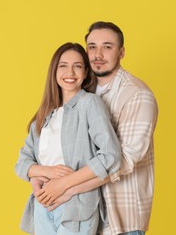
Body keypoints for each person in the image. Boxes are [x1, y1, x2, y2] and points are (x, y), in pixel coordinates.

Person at [39, 22, 158, 235]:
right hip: (84, 216)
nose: (98, 54)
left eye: (107, 47)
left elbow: (122, 161)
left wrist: (67, 187)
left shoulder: (137, 95)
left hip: (120, 221)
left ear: (121, 52)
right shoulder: (81, 92)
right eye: (92, 47)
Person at [14, 42, 121, 234]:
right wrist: (46, 172)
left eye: (77, 66)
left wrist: (64, 183)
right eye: (63, 66)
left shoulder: (90, 104)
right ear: (54, 71)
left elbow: (110, 155)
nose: (70, 72)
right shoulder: (45, 115)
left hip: (76, 206)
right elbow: (22, 163)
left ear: (86, 72)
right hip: (43, 205)